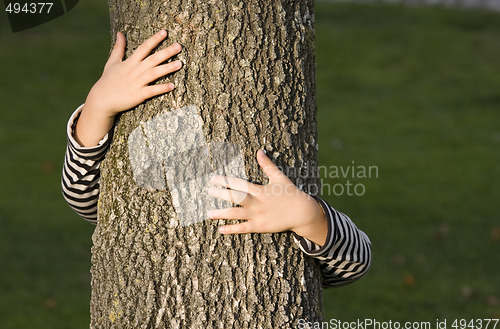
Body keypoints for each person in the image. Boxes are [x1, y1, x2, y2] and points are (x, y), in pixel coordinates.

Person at [62, 30, 371, 287]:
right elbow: (86, 197)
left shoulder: (278, 208)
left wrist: (309, 217)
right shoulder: (133, 195)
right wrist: (98, 106)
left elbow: (354, 263)